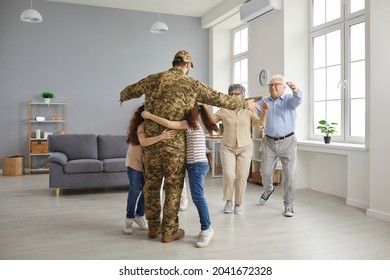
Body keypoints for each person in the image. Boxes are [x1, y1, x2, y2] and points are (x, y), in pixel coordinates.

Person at [119, 50, 260, 243]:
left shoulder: (152, 79)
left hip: (151, 146)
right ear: (187, 66)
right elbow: (218, 97)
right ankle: (168, 231)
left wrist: (122, 97)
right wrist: (243, 103)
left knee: (151, 186)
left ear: (173, 63)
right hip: (174, 147)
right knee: (173, 187)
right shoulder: (192, 83)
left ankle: (153, 227)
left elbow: (131, 90)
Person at [142, 103, 218, 248]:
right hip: (194, 165)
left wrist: (150, 115)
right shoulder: (195, 123)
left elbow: (168, 123)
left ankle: (207, 228)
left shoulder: (191, 124)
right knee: (197, 197)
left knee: (198, 198)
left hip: (197, 165)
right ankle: (206, 227)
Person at [211, 84, 269, 215]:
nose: (234, 96)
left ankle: (238, 204)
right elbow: (210, 122)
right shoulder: (223, 109)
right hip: (227, 147)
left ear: (243, 96)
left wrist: (265, 112)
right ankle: (228, 201)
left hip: (245, 147)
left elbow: (259, 125)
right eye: (231, 94)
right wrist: (205, 110)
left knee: (242, 176)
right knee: (229, 175)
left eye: (237, 94)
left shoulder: (249, 110)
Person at [123, 105, 176, 235]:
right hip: (135, 163)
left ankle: (139, 215)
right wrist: (161, 137)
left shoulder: (158, 126)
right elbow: (144, 142)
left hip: (149, 165)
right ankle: (129, 219)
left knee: (149, 191)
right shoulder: (141, 126)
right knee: (134, 191)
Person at [256, 74, 302, 217]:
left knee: (289, 175)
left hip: (288, 142)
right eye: (271, 85)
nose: (273, 87)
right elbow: (252, 109)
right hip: (269, 142)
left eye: (276, 84)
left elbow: (298, 99)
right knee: (265, 171)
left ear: (283, 87)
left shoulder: (289, 100)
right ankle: (269, 189)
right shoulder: (264, 101)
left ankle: (288, 205)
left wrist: (296, 90)